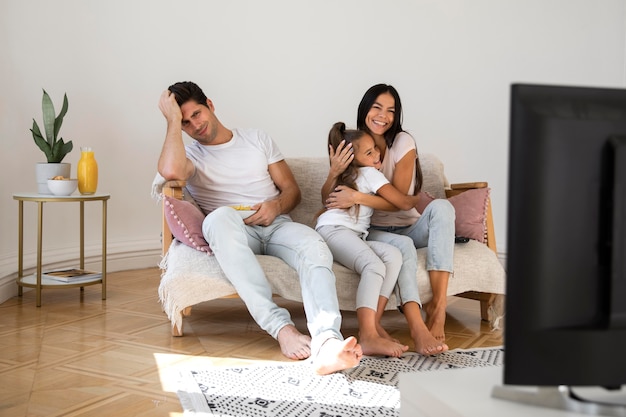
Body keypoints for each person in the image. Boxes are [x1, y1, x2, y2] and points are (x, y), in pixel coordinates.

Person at [157, 81, 362, 375]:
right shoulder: (192, 157)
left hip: (276, 225)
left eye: (197, 114)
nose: (195, 126)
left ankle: (328, 342)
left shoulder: (256, 139)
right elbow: (172, 172)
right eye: (185, 122)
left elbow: (292, 190)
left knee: (313, 245)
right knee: (216, 219)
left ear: (211, 105)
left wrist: (275, 207)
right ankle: (282, 329)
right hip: (233, 232)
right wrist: (172, 122)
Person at [324, 83, 455, 343]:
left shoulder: (402, 142)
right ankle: (415, 325)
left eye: (391, 110)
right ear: (364, 110)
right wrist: (333, 172)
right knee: (401, 246)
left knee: (442, 207)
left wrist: (358, 197)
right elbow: (330, 199)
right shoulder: (355, 143)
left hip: (408, 224)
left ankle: (438, 308)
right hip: (373, 231)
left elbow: (402, 202)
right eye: (376, 107)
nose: (383, 116)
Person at [316, 122, 415, 358]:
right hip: (334, 230)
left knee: (393, 255)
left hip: (348, 234)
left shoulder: (352, 176)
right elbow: (401, 202)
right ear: (353, 159)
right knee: (374, 265)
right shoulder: (369, 174)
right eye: (368, 152)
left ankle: (374, 324)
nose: (376, 154)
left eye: (375, 149)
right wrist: (416, 199)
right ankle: (368, 335)